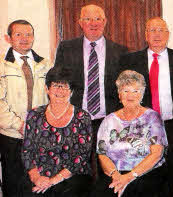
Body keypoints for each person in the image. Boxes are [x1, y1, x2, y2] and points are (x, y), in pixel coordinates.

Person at [95, 70, 168, 197]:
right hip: (115, 174)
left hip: (146, 173)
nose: (130, 95)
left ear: (142, 95)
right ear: (119, 94)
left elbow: (157, 154)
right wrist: (116, 175)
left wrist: (129, 176)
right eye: (126, 91)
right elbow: (102, 154)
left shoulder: (152, 117)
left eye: (135, 91)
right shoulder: (109, 120)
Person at [22, 67, 93, 196]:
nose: (60, 90)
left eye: (65, 86)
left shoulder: (83, 117)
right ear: (47, 89)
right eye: (55, 85)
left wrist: (53, 181)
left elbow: (81, 156)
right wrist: (36, 178)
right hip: (40, 177)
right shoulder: (34, 115)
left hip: (71, 178)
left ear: (71, 92)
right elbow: (27, 151)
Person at [54, 4, 128, 129]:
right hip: (74, 120)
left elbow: (126, 88)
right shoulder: (66, 48)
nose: (93, 23)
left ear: (104, 22)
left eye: (98, 19)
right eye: (88, 19)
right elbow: (57, 83)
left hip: (110, 122)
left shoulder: (121, 52)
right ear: (80, 22)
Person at [0, 19, 52, 196]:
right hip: (12, 135)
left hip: (40, 135)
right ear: (8, 38)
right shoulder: (1, 65)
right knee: (14, 183)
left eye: (28, 34)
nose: (24, 38)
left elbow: (53, 97)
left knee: (38, 184)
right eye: (18, 34)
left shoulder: (46, 64)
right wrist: (19, 125)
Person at [118, 17, 173, 123]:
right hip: (142, 124)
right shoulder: (130, 61)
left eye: (161, 30)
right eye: (152, 30)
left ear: (168, 35)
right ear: (146, 35)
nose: (157, 34)